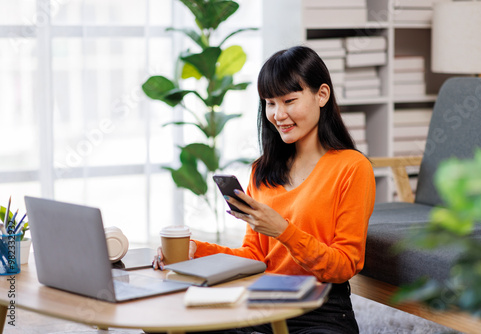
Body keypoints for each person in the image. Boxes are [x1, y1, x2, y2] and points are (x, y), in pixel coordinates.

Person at [153, 45, 376, 334]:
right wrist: (196, 250)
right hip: (261, 305)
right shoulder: (263, 170)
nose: (278, 114)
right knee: (168, 325)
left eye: (289, 100)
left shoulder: (352, 167)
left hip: (320, 311)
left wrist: (283, 230)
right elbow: (255, 257)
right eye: (270, 103)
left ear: (322, 95)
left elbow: (344, 266)